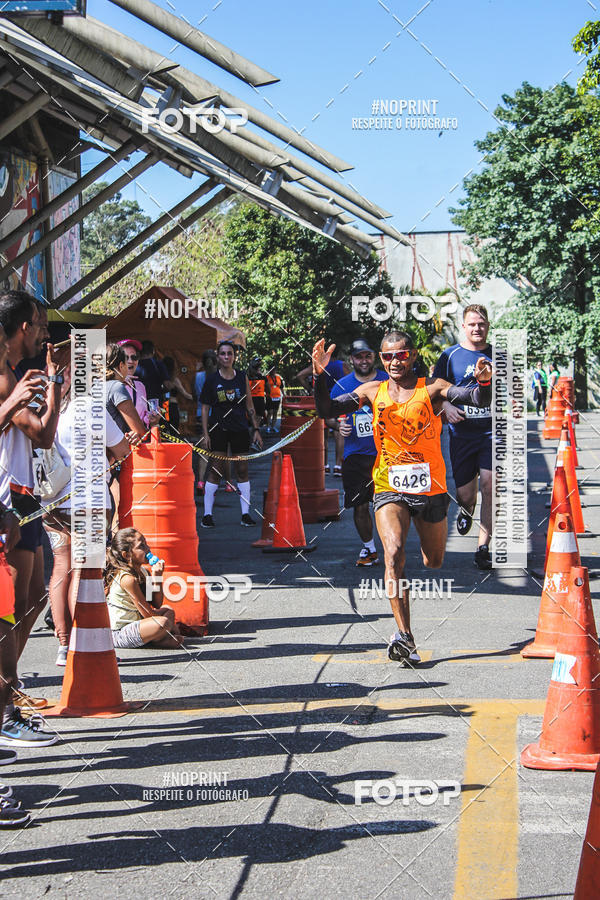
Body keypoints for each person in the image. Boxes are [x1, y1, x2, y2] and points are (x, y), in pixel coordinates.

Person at [313, 331, 492, 665]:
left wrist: (484, 382)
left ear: (413, 356)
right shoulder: (371, 391)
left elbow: (477, 399)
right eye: (387, 357)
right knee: (393, 554)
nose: (394, 362)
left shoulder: (433, 388)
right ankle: (405, 637)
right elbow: (325, 408)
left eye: (401, 355)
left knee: (433, 561)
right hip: (388, 486)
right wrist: (318, 375)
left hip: (430, 490)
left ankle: (454, 521)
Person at [0, 290, 68, 712]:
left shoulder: (12, 372)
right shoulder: (6, 377)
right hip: (11, 498)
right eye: (41, 324)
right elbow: (42, 434)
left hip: (23, 496)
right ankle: (7, 702)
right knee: (11, 607)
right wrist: (54, 382)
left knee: (31, 600)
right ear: (23, 327)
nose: (44, 332)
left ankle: (9, 691)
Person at [43, 365, 132, 666]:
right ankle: (84, 641)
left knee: (60, 569)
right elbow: (121, 448)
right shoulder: (90, 408)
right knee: (84, 572)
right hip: (90, 501)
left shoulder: (47, 407)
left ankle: (63, 644)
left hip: (53, 502)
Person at [433, 304, 494, 571]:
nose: (477, 328)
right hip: (461, 435)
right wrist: (445, 407)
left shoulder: (499, 355)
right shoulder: (449, 356)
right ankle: (467, 511)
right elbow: (435, 392)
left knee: (491, 486)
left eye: (481, 324)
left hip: (492, 432)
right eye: (472, 324)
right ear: (464, 326)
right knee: (466, 495)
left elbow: (512, 387)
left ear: (487, 325)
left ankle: (483, 548)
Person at [331, 339, 388, 567]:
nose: (363, 360)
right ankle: (370, 548)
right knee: (360, 505)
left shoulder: (387, 380)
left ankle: (392, 548)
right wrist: (338, 425)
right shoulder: (342, 385)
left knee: (388, 504)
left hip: (386, 453)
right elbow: (329, 416)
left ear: (373, 357)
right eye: (359, 357)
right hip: (355, 455)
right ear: (351, 360)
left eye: (367, 356)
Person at [199, 339, 263, 527]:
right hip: (218, 429)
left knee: (242, 470)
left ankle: (245, 514)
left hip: (240, 429)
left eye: (230, 353)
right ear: (218, 357)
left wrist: (256, 429)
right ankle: (207, 515)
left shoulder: (241, 376)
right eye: (223, 353)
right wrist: (205, 434)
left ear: (235, 357)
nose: (226, 357)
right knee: (216, 470)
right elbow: (205, 408)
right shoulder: (211, 380)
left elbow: (249, 405)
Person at [105, 528, 183, 649]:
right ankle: (157, 640)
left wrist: (157, 577)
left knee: (168, 610)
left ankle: (156, 638)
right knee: (163, 622)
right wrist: (169, 626)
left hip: (138, 622)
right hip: (119, 632)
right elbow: (147, 614)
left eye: (146, 543)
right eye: (141, 546)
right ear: (127, 555)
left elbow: (157, 603)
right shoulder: (127, 579)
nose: (148, 549)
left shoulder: (143, 571)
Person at [297, 347, 350, 476]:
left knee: (323, 435)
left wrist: (310, 389)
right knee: (339, 433)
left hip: (323, 402)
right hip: (340, 401)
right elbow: (351, 381)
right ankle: (338, 466)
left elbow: (300, 376)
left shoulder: (319, 365)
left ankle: (325, 465)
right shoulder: (343, 366)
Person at [119, 339, 157, 430]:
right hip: (116, 442)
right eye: (125, 357)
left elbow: (142, 417)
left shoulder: (140, 386)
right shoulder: (107, 384)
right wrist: (119, 380)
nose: (130, 361)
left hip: (138, 441)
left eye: (134, 357)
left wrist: (151, 418)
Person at [193, 350, 217, 493]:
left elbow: (194, 394)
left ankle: (200, 481)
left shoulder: (197, 377)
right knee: (217, 450)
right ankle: (218, 482)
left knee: (203, 450)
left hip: (200, 414)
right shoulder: (218, 377)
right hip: (216, 416)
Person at [135, 340, 173, 406]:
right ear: (153, 351)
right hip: (155, 402)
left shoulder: (134, 365)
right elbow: (167, 385)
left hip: (138, 401)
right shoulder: (158, 364)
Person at [162, 356, 193, 433]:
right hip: (172, 406)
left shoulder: (160, 379)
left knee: (164, 429)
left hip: (164, 406)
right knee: (174, 430)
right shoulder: (175, 380)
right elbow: (184, 394)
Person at [248, 357, 268, 428]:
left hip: (250, 402)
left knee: (251, 424)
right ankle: (255, 437)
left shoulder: (247, 377)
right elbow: (268, 391)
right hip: (259, 401)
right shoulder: (263, 378)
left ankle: (252, 437)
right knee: (256, 424)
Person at [265, 364, 284, 433]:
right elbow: (264, 387)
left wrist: (284, 395)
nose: (273, 371)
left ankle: (273, 427)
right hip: (269, 397)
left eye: (274, 370)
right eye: (272, 370)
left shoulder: (278, 378)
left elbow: (281, 387)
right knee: (270, 412)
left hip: (277, 397)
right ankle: (268, 427)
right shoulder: (266, 378)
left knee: (275, 412)